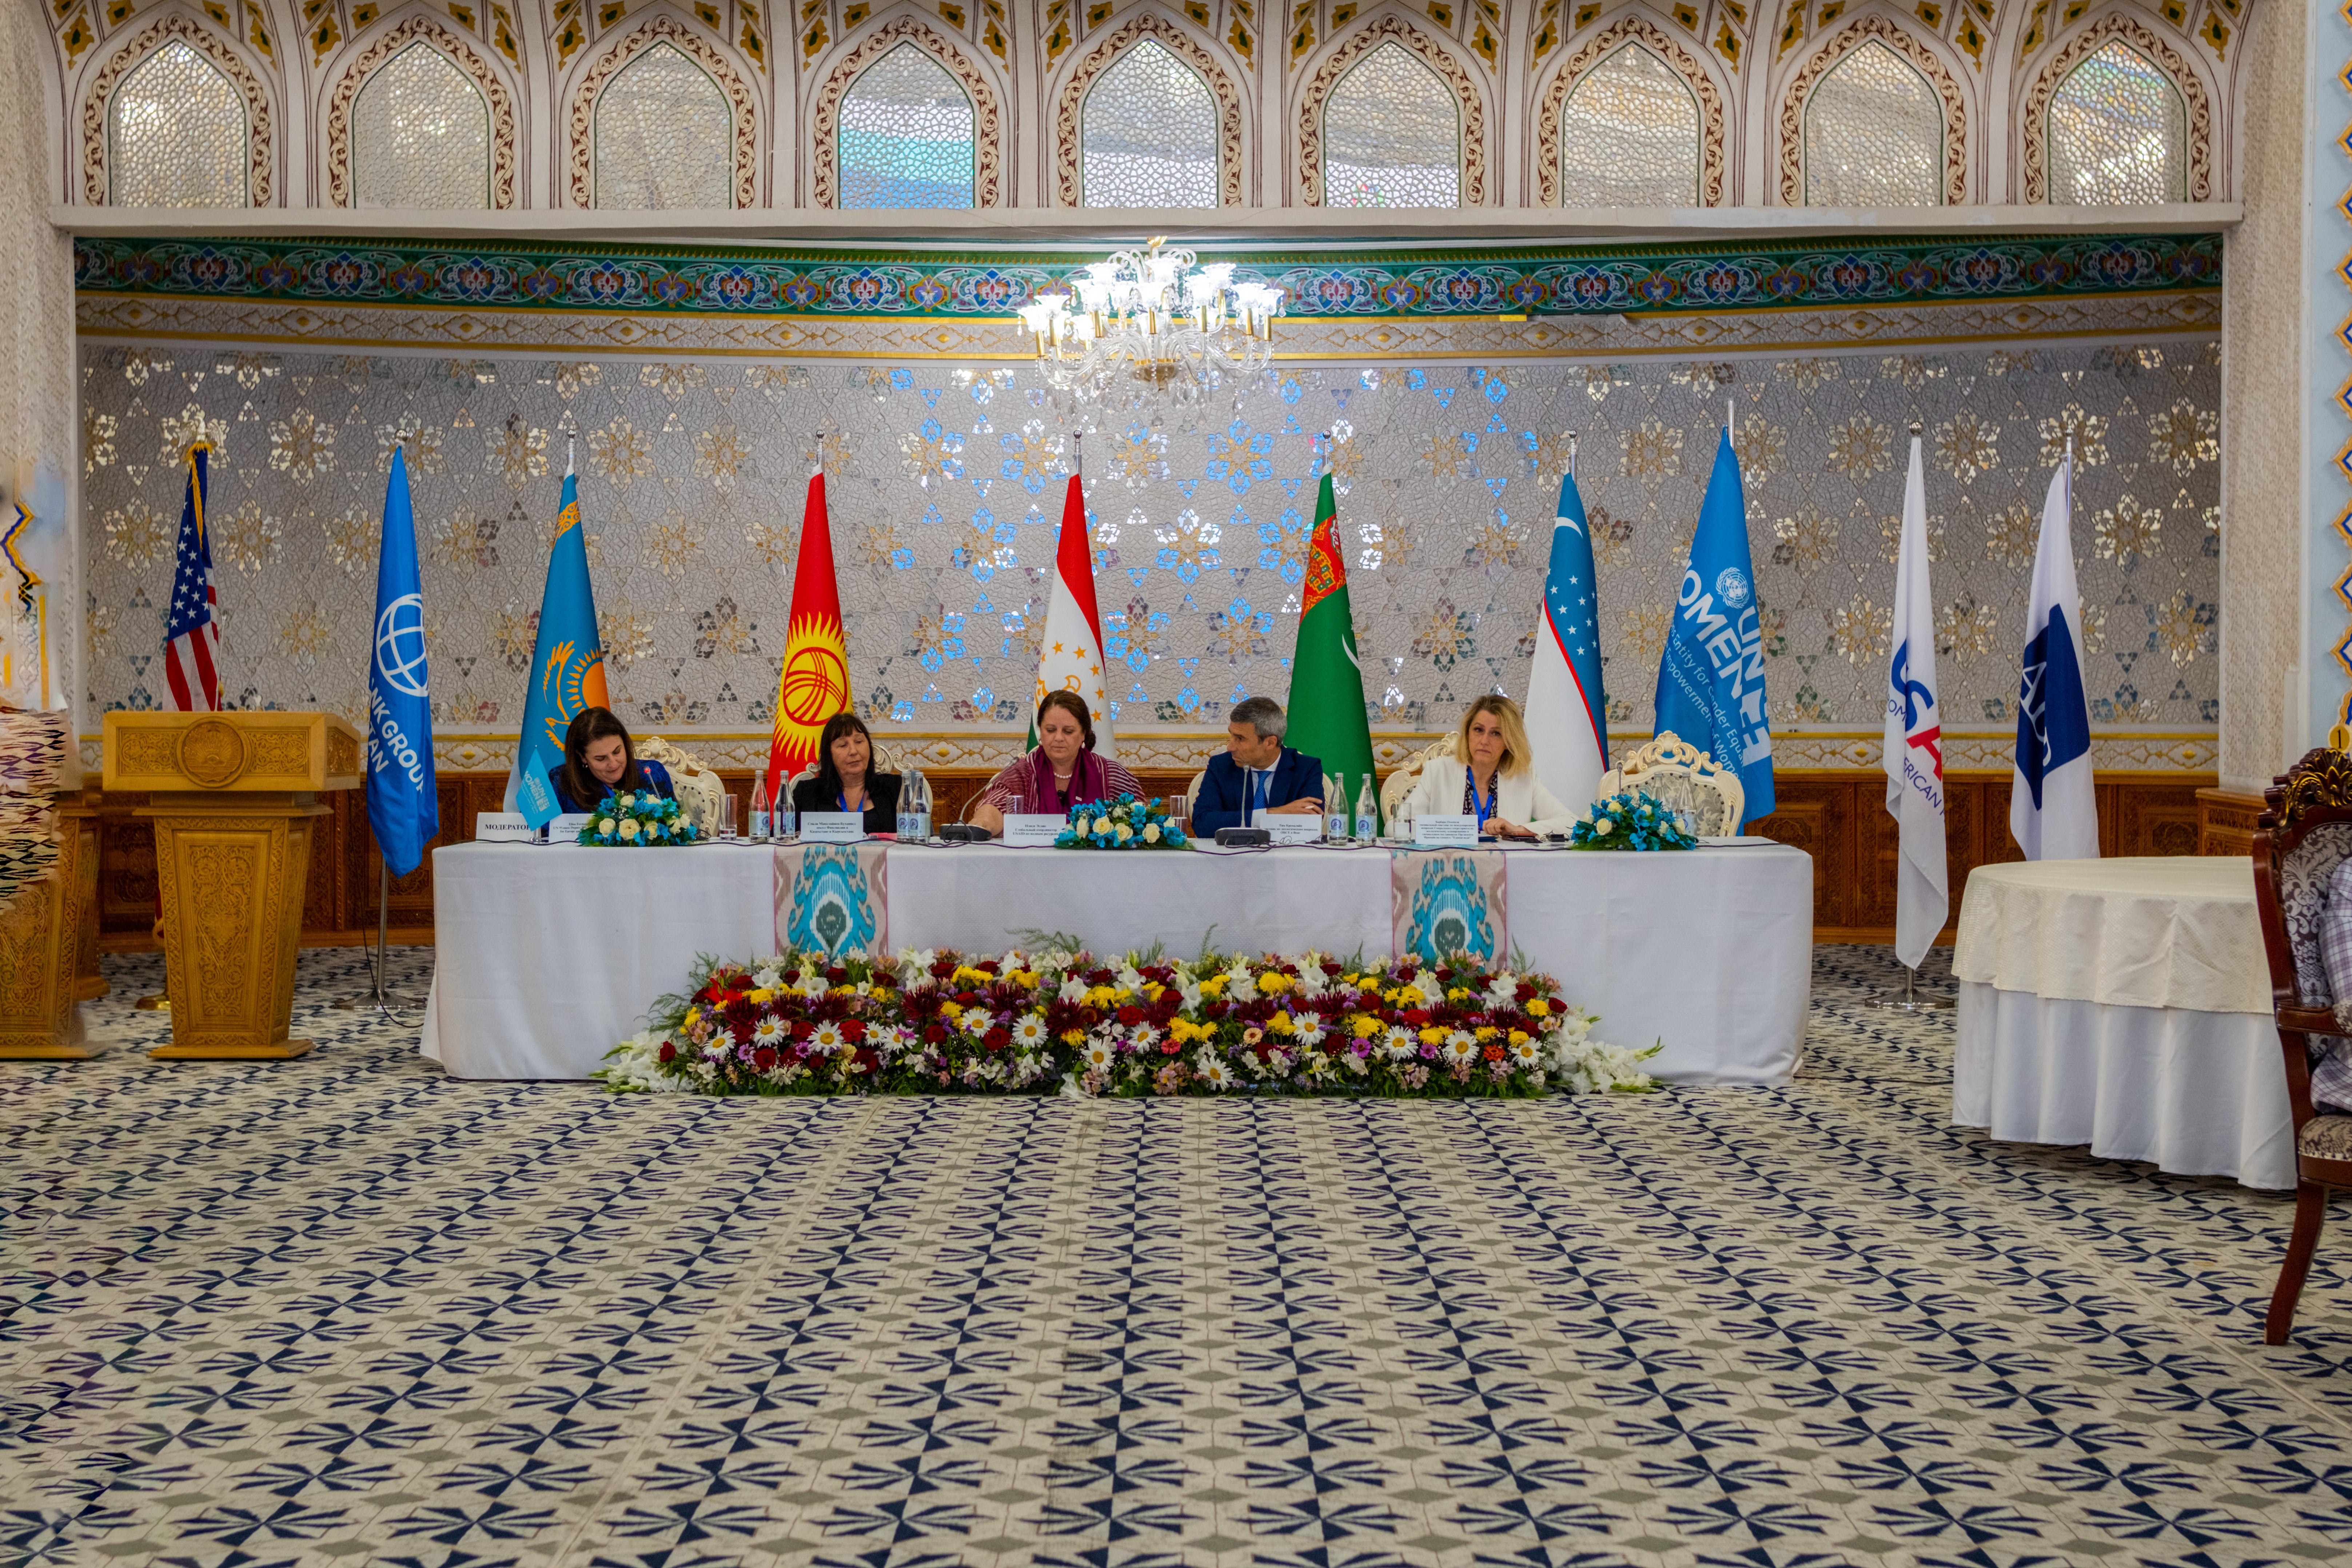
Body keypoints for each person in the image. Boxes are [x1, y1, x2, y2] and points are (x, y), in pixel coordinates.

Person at [1395, 694, 1575, 839]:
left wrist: (1518, 829)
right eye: (1479, 730)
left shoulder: (1524, 778)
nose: (1484, 741)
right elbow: (1397, 827)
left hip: (1508, 873)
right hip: (1450, 871)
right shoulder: (1437, 772)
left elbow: (1572, 823)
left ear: (1509, 742)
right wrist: (1452, 832)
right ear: (1467, 733)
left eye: (1496, 733)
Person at [969, 690, 1142, 834]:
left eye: (1068, 731)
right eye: (1051, 730)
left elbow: (1139, 821)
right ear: (1041, 732)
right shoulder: (1020, 774)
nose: (1058, 738)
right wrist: (982, 824)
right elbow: (995, 808)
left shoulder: (1110, 775)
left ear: (1083, 734)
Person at [1192, 696, 1324, 834]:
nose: (1230, 747)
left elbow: (1310, 821)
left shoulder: (1306, 768)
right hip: (1233, 855)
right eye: (1232, 736)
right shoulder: (1221, 766)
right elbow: (1202, 822)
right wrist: (1272, 814)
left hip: (1286, 854)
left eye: (1240, 739)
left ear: (1270, 743)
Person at [790, 711, 902, 834]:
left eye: (859, 742)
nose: (853, 751)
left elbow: (921, 836)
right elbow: (780, 836)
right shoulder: (807, 793)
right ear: (829, 755)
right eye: (843, 745)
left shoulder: (896, 788)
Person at [549, 706, 674, 815]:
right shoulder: (560, 781)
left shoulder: (653, 774)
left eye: (617, 752)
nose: (613, 764)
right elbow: (544, 836)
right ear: (583, 757)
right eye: (601, 759)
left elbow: (681, 830)